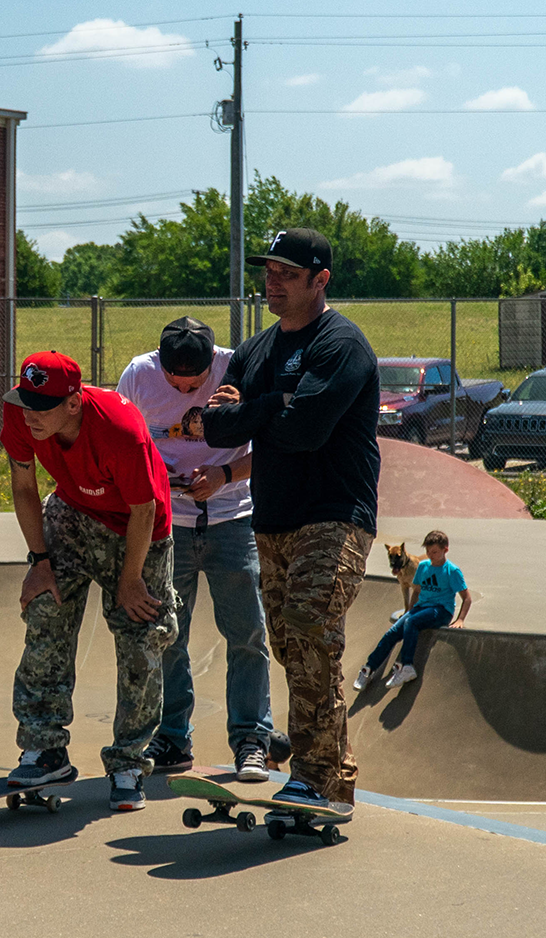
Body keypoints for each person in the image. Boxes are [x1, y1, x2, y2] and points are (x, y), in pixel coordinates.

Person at [202, 228, 381, 810]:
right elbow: (214, 426)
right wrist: (277, 405)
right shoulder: (255, 350)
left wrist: (255, 412)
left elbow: (306, 431)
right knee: (296, 649)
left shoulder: (341, 345)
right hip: (271, 519)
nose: (271, 282)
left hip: (335, 514)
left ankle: (313, 774)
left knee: (308, 625)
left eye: (286, 272)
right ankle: (337, 778)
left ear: (320, 280)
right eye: (267, 271)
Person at [1, 350, 178, 811]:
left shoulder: (121, 429)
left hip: (138, 529)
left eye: (43, 408)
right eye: (25, 402)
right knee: (45, 610)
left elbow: (146, 509)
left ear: (74, 403)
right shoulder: (20, 414)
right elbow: (23, 487)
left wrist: (131, 578)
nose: (31, 416)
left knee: (141, 635)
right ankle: (45, 749)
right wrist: (39, 560)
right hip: (72, 512)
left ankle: (127, 762)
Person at [117, 317, 274, 781]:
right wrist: (152, 479)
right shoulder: (138, 375)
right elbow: (120, 443)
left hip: (231, 518)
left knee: (246, 633)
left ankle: (251, 738)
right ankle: (171, 736)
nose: (185, 389)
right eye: (175, 381)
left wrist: (225, 476)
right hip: (168, 524)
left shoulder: (238, 369)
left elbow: (274, 446)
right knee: (168, 634)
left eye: (195, 382)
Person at [355, 530, 471, 691]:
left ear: (446, 550)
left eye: (435, 552)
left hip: (441, 610)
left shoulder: (452, 571)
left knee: (411, 622)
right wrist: (410, 609)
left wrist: (460, 619)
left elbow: (467, 598)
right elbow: (416, 591)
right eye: (428, 552)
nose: (430, 556)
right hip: (421, 607)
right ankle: (368, 669)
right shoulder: (423, 566)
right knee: (394, 631)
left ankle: (407, 666)